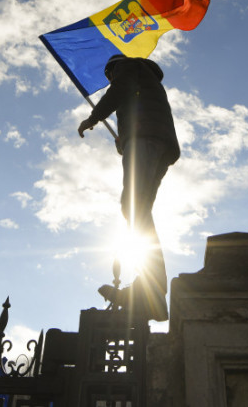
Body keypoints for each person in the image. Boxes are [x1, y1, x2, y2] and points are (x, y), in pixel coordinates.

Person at [77, 54, 180, 321]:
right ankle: (152, 291)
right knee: (139, 209)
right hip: (159, 142)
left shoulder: (126, 67)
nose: (110, 79)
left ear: (112, 69)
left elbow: (119, 90)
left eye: (109, 76)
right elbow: (137, 107)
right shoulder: (147, 81)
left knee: (132, 207)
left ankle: (152, 292)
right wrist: (125, 141)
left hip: (146, 139)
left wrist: (93, 118)